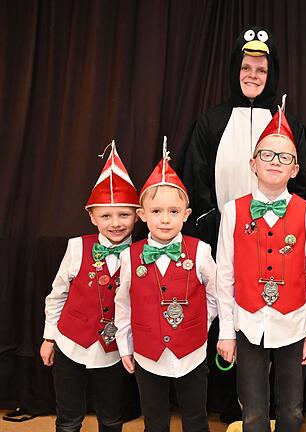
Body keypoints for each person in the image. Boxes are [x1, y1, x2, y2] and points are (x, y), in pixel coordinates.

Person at [215, 98, 306, 432]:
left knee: (292, 411)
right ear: (253, 164)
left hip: (294, 324)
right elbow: (225, 276)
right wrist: (226, 331)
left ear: (295, 168)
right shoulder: (233, 211)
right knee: (253, 413)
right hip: (248, 324)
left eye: (285, 157)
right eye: (267, 155)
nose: (275, 162)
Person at [177, 27, 306, 253]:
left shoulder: (289, 124)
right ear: (235, 70)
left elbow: (302, 184)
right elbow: (196, 179)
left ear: (271, 74)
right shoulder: (210, 122)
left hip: (280, 239)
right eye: (245, 68)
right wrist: (211, 225)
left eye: (261, 70)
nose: (252, 75)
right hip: (221, 240)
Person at [115, 139, 218, 432]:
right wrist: (125, 346)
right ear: (142, 215)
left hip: (192, 352)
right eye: (157, 211)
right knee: (155, 421)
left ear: (186, 215)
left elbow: (216, 295)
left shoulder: (200, 251)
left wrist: (199, 323)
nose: (165, 219)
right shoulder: (128, 256)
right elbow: (123, 305)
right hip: (147, 353)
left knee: (196, 419)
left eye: (174, 212)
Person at [41, 141, 138, 432]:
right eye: (106, 216)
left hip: (113, 351)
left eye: (124, 215)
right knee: (69, 420)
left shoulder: (142, 254)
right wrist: (49, 338)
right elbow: (57, 295)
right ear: (92, 217)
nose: (115, 223)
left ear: (137, 215)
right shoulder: (76, 247)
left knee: (110, 418)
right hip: (70, 344)